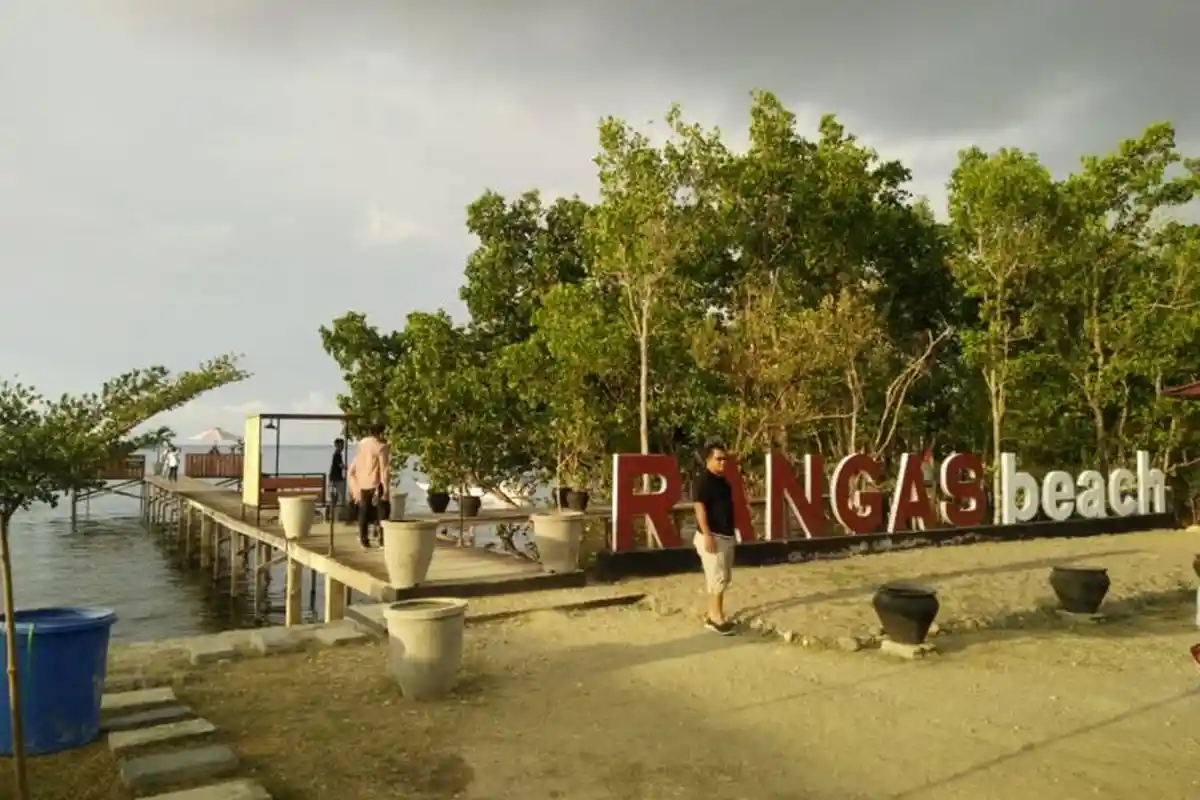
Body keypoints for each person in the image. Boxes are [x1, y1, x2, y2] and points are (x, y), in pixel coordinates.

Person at [691, 442, 736, 636]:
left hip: (725, 535)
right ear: (708, 460)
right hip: (712, 536)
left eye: (724, 458)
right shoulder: (704, 481)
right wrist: (707, 533)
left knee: (722, 578)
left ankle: (712, 614)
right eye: (718, 458)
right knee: (717, 578)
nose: (722, 462)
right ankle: (717, 617)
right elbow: (699, 507)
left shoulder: (723, 481)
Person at [348, 425, 390, 549]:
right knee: (383, 511)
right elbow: (384, 470)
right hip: (376, 483)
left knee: (363, 512)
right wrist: (386, 490)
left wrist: (355, 487)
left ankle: (363, 539)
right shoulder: (382, 447)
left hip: (363, 483)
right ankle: (382, 540)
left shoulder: (363, 443)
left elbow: (356, 463)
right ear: (381, 433)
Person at [329, 438, 347, 511]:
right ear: (338, 445)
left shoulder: (338, 454)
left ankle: (335, 511)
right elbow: (341, 465)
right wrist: (347, 467)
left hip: (335, 478)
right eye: (342, 445)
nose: (343, 447)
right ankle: (339, 511)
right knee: (340, 496)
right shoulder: (337, 455)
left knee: (335, 497)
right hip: (336, 479)